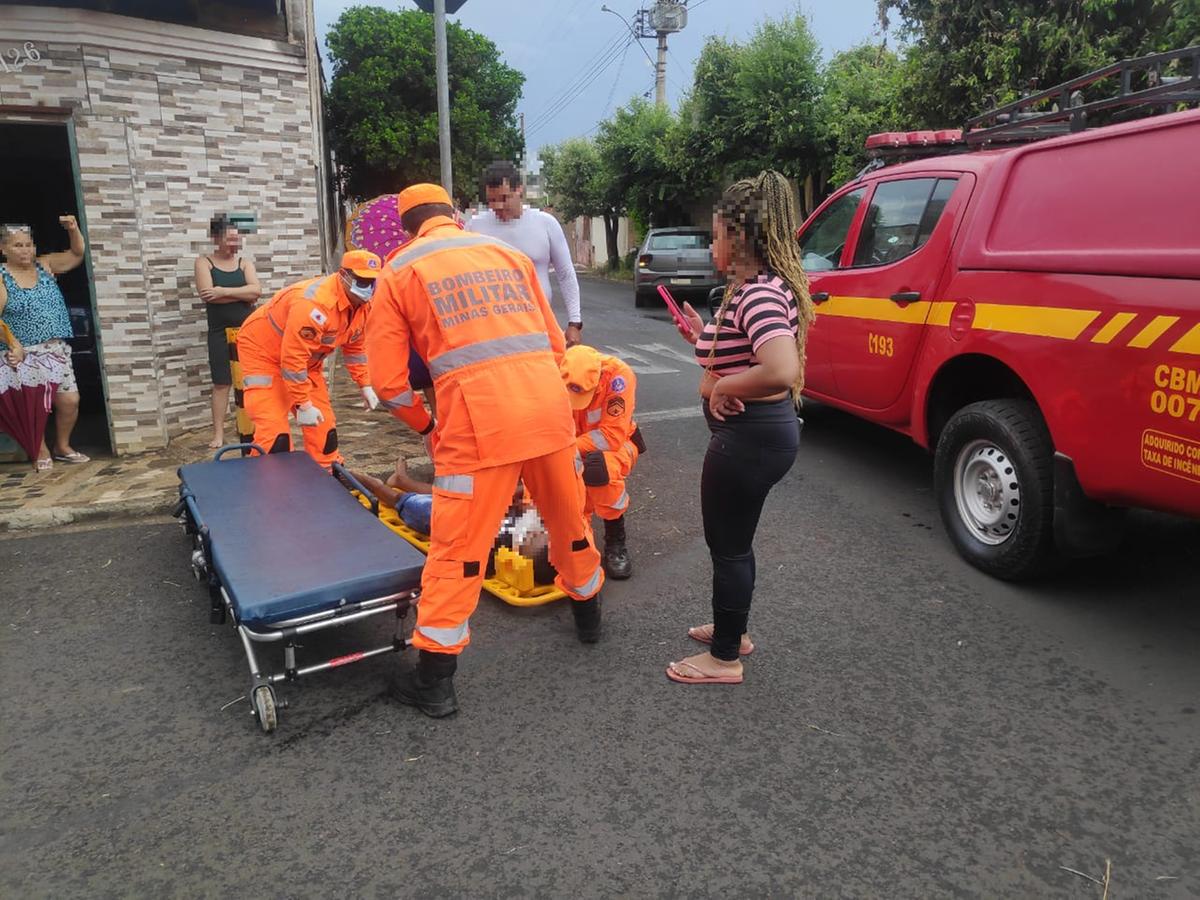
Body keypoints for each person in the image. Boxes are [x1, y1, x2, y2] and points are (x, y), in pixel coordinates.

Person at [367, 182, 605, 718]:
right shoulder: (507, 254)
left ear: (408, 227)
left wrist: (426, 424)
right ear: (454, 214)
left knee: (458, 552)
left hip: (476, 428)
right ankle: (588, 617)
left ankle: (435, 683)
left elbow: (388, 384)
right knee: (568, 521)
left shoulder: (400, 271)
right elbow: (552, 343)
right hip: (546, 411)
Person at [665, 171, 812, 685]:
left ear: (739, 236)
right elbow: (746, 355)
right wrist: (702, 338)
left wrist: (724, 389)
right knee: (733, 544)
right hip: (753, 439)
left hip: (749, 442)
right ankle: (735, 632)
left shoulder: (759, 295)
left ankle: (724, 658)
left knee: (728, 547)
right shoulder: (751, 290)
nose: (713, 244)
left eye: (716, 233)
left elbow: (780, 369)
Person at [236, 250, 382, 469]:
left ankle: (328, 476)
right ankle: (271, 488)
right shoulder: (314, 304)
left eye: (371, 281)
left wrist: (365, 384)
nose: (367, 286)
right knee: (275, 435)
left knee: (325, 431)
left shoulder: (363, 304)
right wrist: (303, 405)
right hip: (264, 354)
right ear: (343, 275)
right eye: (362, 280)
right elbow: (292, 358)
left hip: (306, 363)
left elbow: (355, 346)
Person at [0, 218, 89, 469]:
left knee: (69, 400)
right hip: (23, 352)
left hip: (55, 348)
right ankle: (39, 449)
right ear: (3, 249)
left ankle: (62, 445)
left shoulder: (45, 265)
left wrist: (73, 229)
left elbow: (77, 253)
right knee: (34, 405)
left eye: (29, 245)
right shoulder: (2, 278)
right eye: (18, 245)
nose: (26, 250)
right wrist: (13, 344)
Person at [467, 161, 584, 348]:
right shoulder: (475, 227)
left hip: (538, 325)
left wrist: (574, 323)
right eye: (491, 200)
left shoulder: (545, 224)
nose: (497, 205)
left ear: (519, 190)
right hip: (492, 329)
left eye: (504, 198)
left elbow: (566, 274)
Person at [559, 344, 644, 580]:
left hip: (618, 446)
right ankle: (577, 541)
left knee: (599, 470)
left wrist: (566, 449)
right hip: (574, 445)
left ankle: (615, 540)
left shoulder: (619, 377)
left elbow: (611, 437)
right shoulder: (557, 370)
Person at [195, 215, 262, 449]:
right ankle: (218, 434)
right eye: (230, 238)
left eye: (237, 238)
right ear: (217, 238)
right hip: (219, 331)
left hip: (248, 330)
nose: (235, 242)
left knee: (251, 379)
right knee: (221, 383)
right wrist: (241, 293)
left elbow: (256, 292)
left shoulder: (244, 263)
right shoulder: (204, 262)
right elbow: (206, 293)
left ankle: (255, 426)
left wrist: (222, 291)